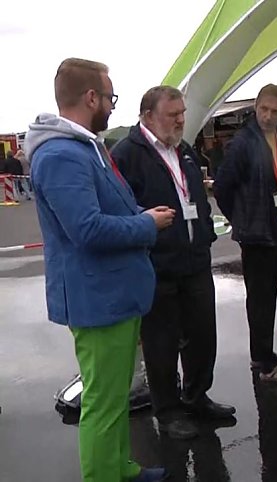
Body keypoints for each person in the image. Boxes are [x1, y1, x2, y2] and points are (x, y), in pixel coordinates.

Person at [25, 57, 173, 482]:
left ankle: (120, 469)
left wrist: (139, 214)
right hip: (98, 300)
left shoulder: (82, 146)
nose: (111, 105)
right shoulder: (61, 155)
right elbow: (86, 230)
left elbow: (99, 212)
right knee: (104, 404)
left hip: (112, 296)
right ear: (91, 97)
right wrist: (146, 224)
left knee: (114, 399)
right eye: (110, 96)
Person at [111, 85, 235, 440]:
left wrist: (206, 236)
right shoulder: (127, 154)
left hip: (195, 261)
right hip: (157, 267)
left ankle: (197, 398)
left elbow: (193, 195)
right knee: (161, 345)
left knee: (202, 336)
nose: (181, 119)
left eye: (182, 112)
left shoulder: (183, 150)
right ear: (148, 116)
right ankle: (167, 412)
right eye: (173, 114)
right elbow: (121, 209)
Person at [214, 84, 277, 383]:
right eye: (263, 109)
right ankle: (265, 364)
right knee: (260, 298)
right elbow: (223, 186)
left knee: (267, 294)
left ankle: (262, 353)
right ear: (256, 107)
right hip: (255, 232)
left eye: (274, 111)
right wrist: (241, 218)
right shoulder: (243, 142)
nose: (267, 115)